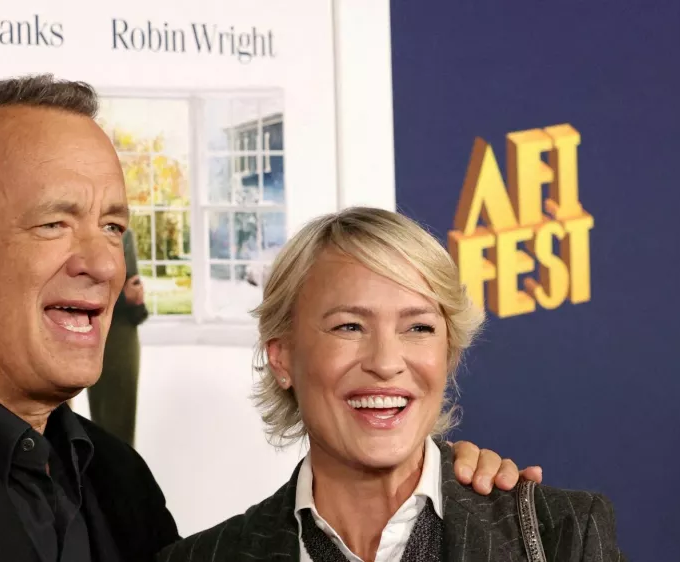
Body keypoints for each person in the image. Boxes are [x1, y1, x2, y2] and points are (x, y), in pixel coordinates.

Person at [0, 76, 538, 561]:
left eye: (114, 227)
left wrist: (447, 494)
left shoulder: (120, 484)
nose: (102, 261)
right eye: (56, 222)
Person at [160, 207, 626, 562]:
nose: (385, 362)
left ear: (449, 355)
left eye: (418, 328)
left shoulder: (561, 535)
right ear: (282, 358)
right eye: (349, 327)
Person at [88, 229, 149, 446]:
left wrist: (132, 300)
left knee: (116, 425)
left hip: (117, 332)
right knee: (103, 420)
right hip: (97, 332)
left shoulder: (123, 235)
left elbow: (132, 290)